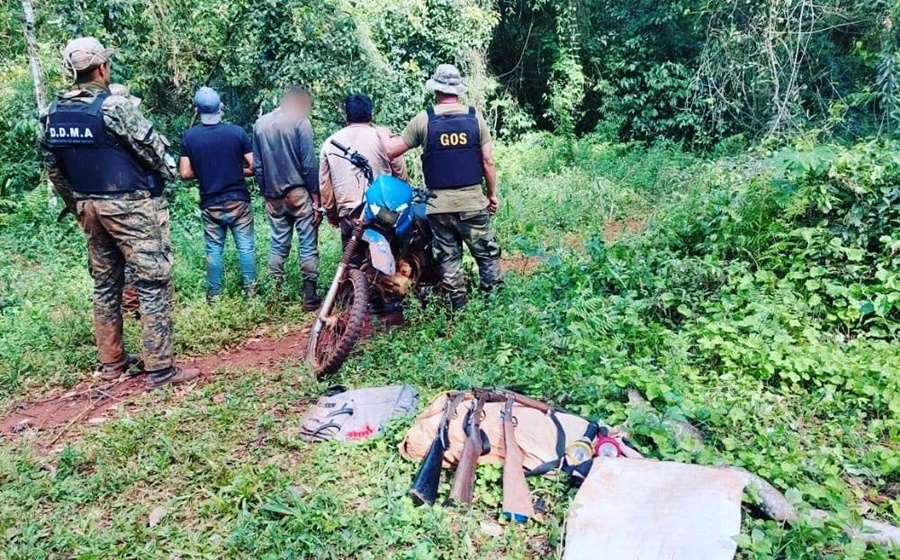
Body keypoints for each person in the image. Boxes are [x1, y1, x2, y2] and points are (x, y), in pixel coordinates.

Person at [41, 37, 198, 387]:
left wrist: (77, 206)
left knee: (105, 285)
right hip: (129, 207)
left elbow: (53, 168)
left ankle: (112, 363)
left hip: (89, 206)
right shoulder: (114, 106)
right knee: (153, 281)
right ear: (102, 68)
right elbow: (154, 152)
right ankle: (160, 369)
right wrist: (168, 172)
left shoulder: (52, 112)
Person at [378, 64, 502, 310]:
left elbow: (391, 151)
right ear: (458, 90)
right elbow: (487, 161)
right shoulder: (475, 117)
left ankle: (459, 309)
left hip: (438, 207)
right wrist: (492, 195)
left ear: (436, 89)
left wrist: (382, 133)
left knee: (449, 261)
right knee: (487, 256)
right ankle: (494, 308)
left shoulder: (424, 119)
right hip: (472, 205)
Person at [180, 87, 258, 301]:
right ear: (220, 106)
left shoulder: (190, 137)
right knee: (245, 247)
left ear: (197, 110)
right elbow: (254, 167)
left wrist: (207, 171)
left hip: (210, 202)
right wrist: (235, 169)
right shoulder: (237, 132)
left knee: (213, 249)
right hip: (238, 200)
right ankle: (251, 293)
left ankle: (214, 296)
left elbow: (185, 172)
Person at [252, 84, 322, 310]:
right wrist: (315, 196)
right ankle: (310, 297)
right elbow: (309, 164)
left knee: (278, 244)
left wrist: (264, 192)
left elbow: (258, 167)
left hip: (273, 194)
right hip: (298, 193)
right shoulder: (301, 122)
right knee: (308, 243)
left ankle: (274, 295)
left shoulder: (260, 125)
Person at [320, 93, 408, 246]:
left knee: (352, 259)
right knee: (387, 256)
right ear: (371, 116)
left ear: (347, 117)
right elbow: (402, 178)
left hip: (348, 212)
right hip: (382, 211)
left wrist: (331, 214)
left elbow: (325, 186)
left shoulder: (330, 143)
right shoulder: (385, 140)